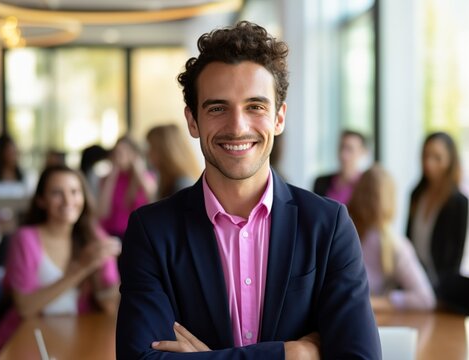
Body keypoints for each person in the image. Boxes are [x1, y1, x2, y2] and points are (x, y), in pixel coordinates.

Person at [116, 21, 381, 359]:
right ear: (192, 121)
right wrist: (292, 354)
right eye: (217, 108)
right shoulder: (152, 231)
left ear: (279, 118)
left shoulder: (328, 226)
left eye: (255, 106)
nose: (237, 126)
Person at [0, 164, 121, 355]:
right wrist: (81, 268)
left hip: (80, 336)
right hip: (29, 337)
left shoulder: (94, 237)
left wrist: (113, 275)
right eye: (56, 193)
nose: (68, 200)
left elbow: (111, 308)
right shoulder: (25, 239)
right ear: (41, 201)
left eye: (75, 192)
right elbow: (25, 308)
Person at [348, 164, 436, 311]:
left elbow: (426, 299)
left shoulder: (341, 235)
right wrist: (386, 301)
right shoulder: (396, 245)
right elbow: (426, 299)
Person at [406, 131, 469, 290]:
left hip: (441, 287)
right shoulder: (416, 194)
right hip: (414, 281)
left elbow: (455, 257)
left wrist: (443, 291)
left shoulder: (458, 202)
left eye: (437, 157)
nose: (429, 163)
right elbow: (408, 240)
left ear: (450, 160)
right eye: (425, 156)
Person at [97, 136, 157, 238]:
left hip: (137, 233)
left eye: (124, 152)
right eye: (117, 153)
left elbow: (152, 197)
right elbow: (102, 212)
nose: (119, 157)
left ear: (134, 154)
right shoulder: (106, 179)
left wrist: (138, 169)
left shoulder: (146, 177)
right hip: (111, 234)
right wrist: (112, 176)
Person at [146, 124, 202, 199]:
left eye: (152, 147)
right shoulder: (164, 180)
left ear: (165, 151)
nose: (148, 153)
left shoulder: (182, 185)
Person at [313, 130, 368, 204]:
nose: (343, 154)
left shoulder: (366, 186)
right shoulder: (321, 182)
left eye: (349, 149)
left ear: (362, 152)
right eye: (341, 147)